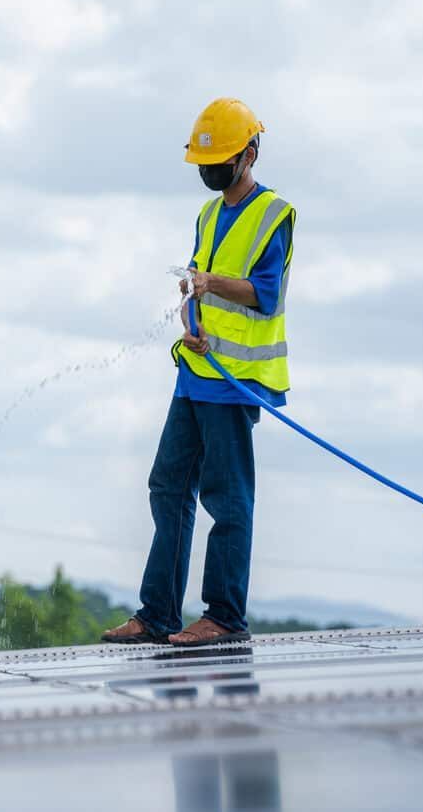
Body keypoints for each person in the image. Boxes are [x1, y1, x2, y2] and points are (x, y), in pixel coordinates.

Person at [103, 98, 296, 647]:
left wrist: (211, 284)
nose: (209, 174)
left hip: (235, 382)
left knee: (227, 497)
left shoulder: (273, 215)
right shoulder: (210, 214)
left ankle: (224, 617)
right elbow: (195, 282)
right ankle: (158, 613)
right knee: (168, 484)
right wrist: (191, 314)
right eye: (203, 165)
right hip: (196, 370)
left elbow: (264, 294)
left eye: (219, 163)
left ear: (249, 155)